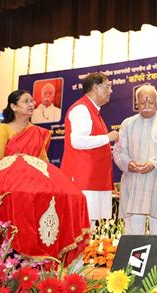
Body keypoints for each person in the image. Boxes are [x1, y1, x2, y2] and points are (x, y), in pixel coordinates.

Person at [61, 72, 119, 228]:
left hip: (94, 179)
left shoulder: (94, 111)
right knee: (82, 227)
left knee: (90, 227)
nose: (110, 91)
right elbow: (78, 141)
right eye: (108, 87)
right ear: (95, 88)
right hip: (83, 180)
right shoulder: (82, 109)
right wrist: (108, 137)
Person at [113, 85, 157, 235]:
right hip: (134, 183)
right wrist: (129, 164)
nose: (146, 106)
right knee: (133, 233)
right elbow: (119, 151)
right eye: (142, 103)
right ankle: (135, 259)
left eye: (150, 102)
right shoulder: (127, 123)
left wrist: (154, 163)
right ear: (137, 103)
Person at [0, 90, 51, 162]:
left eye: (32, 101)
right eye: (26, 101)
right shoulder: (3, 128)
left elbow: (44, 161)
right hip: (10, 172)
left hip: (33, 173)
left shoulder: (38, 132)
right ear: (14, 107)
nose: (31, 104)